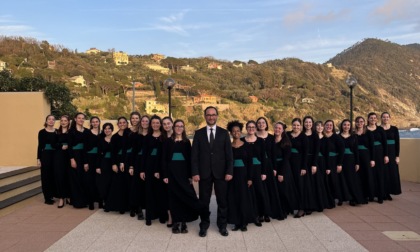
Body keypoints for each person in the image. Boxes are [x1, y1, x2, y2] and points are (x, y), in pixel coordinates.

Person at [191, 106, 233, 237]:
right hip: (204, 174)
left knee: (222, 201)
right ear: (205, 116)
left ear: (217, 116)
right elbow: (194, 155)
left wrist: (229, 171)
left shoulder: (224, 133)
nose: (211, 117)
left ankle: (222, 226)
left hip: (221, 174)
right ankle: (204, 225)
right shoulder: (198, 133)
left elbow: (229, 155)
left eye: (213, 114)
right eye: (208, 115)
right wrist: (195, 172)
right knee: (204, 201)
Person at [162, 119, 202, 234]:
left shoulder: (186, 142)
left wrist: (190, 175)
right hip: (171, 174)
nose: (179, 128)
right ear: (173, 128)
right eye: (177, 126)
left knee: (185, 197)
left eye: (181, 126)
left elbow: (191, 160)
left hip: (184, 174)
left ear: (183, 128)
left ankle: (184, 222)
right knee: (173, 198)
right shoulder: (167, 141)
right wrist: (165, 175)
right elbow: (164, 160)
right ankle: (175, 222)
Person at [227, 120, 257, 231]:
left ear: (241, 132)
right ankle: (236, 222)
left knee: (244, 199)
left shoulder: (247, 146)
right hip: (232, 176)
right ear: (230, 133)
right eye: (233, 131)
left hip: (244, 176)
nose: (236, 133)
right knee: (233, 199)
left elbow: (250, 163)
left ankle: (244, 222)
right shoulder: (228, 146)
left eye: (238, 131)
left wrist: (250, 178)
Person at [241, 120, 271, 224]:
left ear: (255, 128)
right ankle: (251, 214)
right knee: (249, 193)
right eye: (249, 127)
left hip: (258, 169)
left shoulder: (260, 141)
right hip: (245, 170)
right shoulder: (241, 140)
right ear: (246, 128)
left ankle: (262, 213)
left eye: (253, 127)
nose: (251, 129)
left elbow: (263, 157)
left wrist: (264, 172)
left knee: (260, 192)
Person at [141, 115, 167, 226]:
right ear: (151, 125)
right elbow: (144, 155)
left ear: (160, 124)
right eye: (153, 123)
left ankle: (162, 215)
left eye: (157, 123)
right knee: (149, 192)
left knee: (161, 192)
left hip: (161, 167)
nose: (155, 125)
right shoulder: (147, 137)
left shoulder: (164, 137)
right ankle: (149, 216)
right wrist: (142, 170)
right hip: (149, 167)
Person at [256, 117, 284, 220]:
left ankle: (268, 212)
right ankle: (260, 212)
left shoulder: (271, 137)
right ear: (257, 125)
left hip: (269, 166)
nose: (261, 124)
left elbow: (273, 154)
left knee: (269, 189)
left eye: (263, 122)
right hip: (258, 166)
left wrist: (275, 168)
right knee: (260, 189)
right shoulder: (254, 136)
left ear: (266, 124)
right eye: (259, 123)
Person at [272, 122, 299, 216]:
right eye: (276, 128)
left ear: (283, 130)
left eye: (279, 128)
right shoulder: (271, 140)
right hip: (274, 167)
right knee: (277, 190)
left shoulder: (286, 142)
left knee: (285, 190)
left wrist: (281, 173)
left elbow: (286, 159)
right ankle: (279, 208)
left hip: (284, 167)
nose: (277, 130)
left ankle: (288, 208)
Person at [339, 119, 366, 206]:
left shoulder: (354, 136)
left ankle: (352, 198)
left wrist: (357, 163)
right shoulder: (338, 136)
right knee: (341, 179)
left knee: (351, 179)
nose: (346, 126)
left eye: (348, 125)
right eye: (344, 125)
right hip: (340, 160)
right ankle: (341, 198)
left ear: (350, 127)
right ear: (341, 126)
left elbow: (356, 150)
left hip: (351, 160)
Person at [106, 117, 130, 213]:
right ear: (118, 125)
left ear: (127, 124)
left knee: (127, 184)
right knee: (118, 185)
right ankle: (120, 207)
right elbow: (113, 152)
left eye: (124, 122)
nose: (122, 124)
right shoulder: (115, 137)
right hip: (118, 161)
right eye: (120, 123)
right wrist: (114, 164)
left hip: (128, 160)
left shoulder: (129, 135)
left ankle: (128, 206)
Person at [287, 118, 310, 218]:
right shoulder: (287, 135)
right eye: (294, 125)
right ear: (291, 125)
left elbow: (305, 153)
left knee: (299, 185)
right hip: (288, 162)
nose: (296, 127)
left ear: (300, 126)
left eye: (297, 125)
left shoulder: (303, 137)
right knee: (290, 184)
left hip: (299, 164)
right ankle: (291, 206)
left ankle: (302, 208)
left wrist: (304, 167)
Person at [68, 112, 90, 208]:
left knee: (83, 179)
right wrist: (72, 159)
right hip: (75, 156)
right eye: (79, 118)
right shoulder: (71, 131)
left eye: (83, 118)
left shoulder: (87, 131)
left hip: (84, 156)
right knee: (75, 179)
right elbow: (69, 147)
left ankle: (84, 200)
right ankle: (77, 202)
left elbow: (87, 147)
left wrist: (86, 162)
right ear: (75, 119)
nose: (81, 119)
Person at [367, 112, 389, 204]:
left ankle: (380, 196)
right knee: (370, 175)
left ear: (376, 119)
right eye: (371, 118)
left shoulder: (380, 129)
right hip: (367, 154)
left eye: (374, 118)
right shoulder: (365, 129)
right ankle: (371, 195)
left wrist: (386, 155)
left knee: (379, 174)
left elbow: (385, 143)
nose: (373, 119)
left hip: (379, 153)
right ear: (368, 119)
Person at [324, 120, 345, 207]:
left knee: (334, 180)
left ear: (333, 127)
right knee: (326, 180)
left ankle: (339, 198)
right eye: (327, 125)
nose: (329, 126)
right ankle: (328, 198)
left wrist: (339, 164)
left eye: (330, 125)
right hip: (323, 160)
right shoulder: (321, 136)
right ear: (324, 126)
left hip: (334, 161)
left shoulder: (336, 137)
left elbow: (342, 150)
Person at [380, 112, 401, 198]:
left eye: (387, 117)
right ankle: (383, 192)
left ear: (390, 118)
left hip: (392, 153)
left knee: (392, 173)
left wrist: (397, 156)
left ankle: (389, 192)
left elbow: (397, 143)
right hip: (381, 153)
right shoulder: (378, 129)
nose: (385, 118)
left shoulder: (394, 129)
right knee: (383, 173)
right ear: (381, 118)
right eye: (384, 117)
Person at [37, 115, 57, 205]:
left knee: (53, 175)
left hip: (55, 156)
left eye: (53, 119)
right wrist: (38, 159)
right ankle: (47, 198)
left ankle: (52, 194)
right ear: (46, 121)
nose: (51, 121)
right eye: (49, 119)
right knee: (45, 177)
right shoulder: (42, 132)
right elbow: (40, 146)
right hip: (45, 156)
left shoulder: (57, 132)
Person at [354, 116, 375, 202]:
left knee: (367, 175)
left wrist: (372, 159)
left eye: (361, 121)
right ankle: (359, 194)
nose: (360, 123)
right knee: (358, 176)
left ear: (364, 122)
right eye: (358, 121)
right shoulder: (353, 133)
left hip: (366, 156)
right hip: (356, 156)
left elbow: (372, 147)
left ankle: (369, 195)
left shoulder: (369, 133)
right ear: (355, 123)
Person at [315, 121, 335, 209]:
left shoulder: (326, 139)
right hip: (313, 162)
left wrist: (328, 167)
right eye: (318, 126)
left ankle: (325, 202)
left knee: (323, 182)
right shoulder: (312, 137)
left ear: (323, 128)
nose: (319, 127)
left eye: (321, 126)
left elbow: (326, 154)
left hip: (322, 162)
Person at [54, 115, 71, 208]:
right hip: (59, 157)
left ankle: (68, 196)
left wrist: (68, 146)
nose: (63, 122)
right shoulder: (57, 132)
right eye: (62, 120)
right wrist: (61, 146)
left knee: (68, 176)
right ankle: (61, 198)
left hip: (69, 156)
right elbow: (53, 144)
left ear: (68, 122)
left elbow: (74, 142)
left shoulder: (71, 131)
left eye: (65, 120)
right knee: (60, 177)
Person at [96, 123, 114, 211]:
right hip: (104, 164)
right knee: (104, 183)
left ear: (112, 129)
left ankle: (111, 202)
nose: (107, 130)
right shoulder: (100, 140)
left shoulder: (115, 139)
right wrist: (98, 167)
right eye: (105, 129)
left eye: (109, 128)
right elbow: (98, 154)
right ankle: (104, 201)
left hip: (113, 163)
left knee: (112, 183)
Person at [85, 116, 101, 210]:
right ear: (90, 123)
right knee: (90, 181)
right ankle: (90, 202)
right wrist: (86, 162)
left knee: (98, 181)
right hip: (90, 159)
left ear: (99, 122)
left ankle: (99, 201)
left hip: (99, 159)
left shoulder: (102, 133)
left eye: (97, 121)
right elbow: (84, 149)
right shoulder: (87, 133)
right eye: (93, 122)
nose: (95, 123)